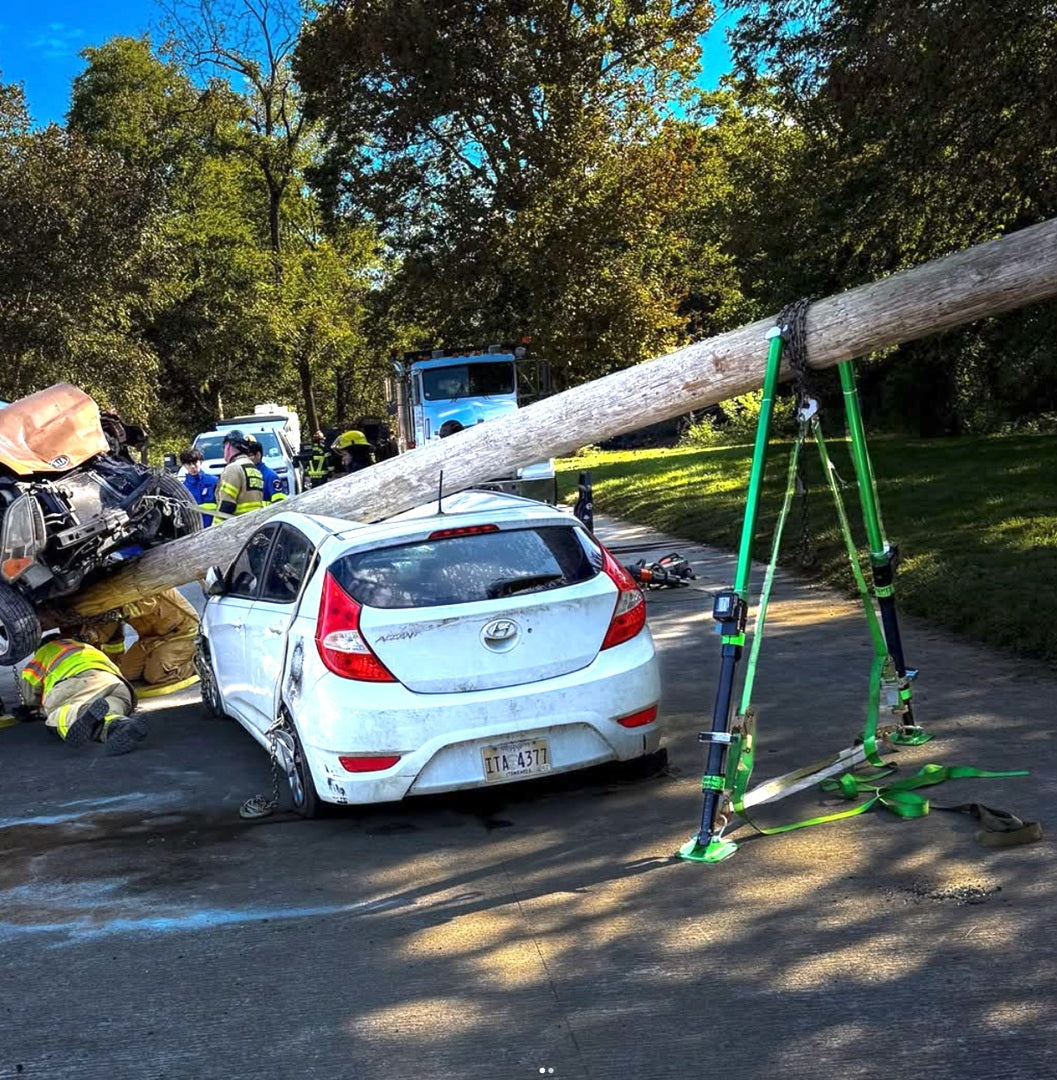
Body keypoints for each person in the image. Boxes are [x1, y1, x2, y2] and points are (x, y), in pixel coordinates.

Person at [19, 636, 145, 755]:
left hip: (78, 682)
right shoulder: (87, 647)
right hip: (116, 684)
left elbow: (30, 693)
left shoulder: (43, 652)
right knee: (113, 708)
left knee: (58, 714)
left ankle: (81, 713)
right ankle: (119, 725)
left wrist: (31, 707)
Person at [214, 429, 266, 519]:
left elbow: (227, 504)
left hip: (236, 526)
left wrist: (214, 529)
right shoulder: (254, 469)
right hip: (253, 522)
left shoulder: (233, 469)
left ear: (228, 446)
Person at [180, 447, 218, 527]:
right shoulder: (183, 488)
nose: (192, 466)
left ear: (200, 461)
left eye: (194, 462)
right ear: (184, 465)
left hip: (214, 527)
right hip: (193, 529)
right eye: (188, 464)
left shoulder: (214, 481)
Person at [245, 435, 288, 504]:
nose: (246, 458)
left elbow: (280, 503)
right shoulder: (243, 475)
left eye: (249, 455)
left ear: (258, 455)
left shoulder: (271, 476)